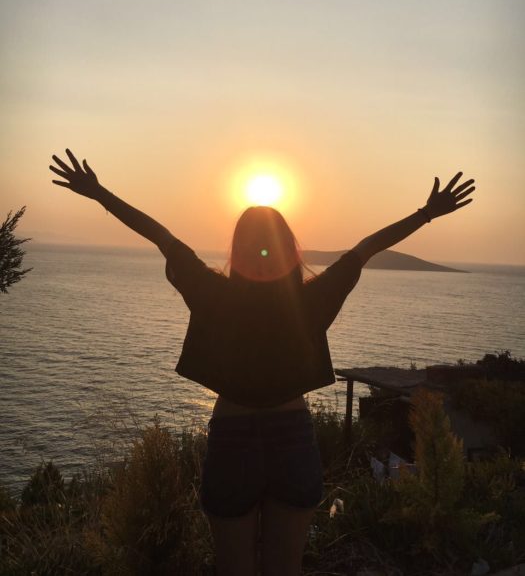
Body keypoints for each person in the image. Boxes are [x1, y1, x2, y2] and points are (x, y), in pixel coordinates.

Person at [49, 149, 475, 576]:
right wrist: (426, 214)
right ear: (289, 249)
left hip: (232, 438)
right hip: (292, 437)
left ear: (238, 248)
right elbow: (366, 248)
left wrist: (99, 192)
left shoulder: (211, 291)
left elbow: (160, 235)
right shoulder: (311, 299)